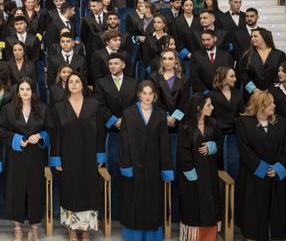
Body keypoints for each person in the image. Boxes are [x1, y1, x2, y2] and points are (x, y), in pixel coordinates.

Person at [49, 72, 106, 241]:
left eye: (77, 81)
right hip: (68, 155)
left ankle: (86, 229)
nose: (73, 84)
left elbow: (101, 132)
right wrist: (56, 157)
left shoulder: (94, 105)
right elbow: (56, 134)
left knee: (89, 190)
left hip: (89, 155)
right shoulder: (59, 107)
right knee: (70, 190)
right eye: (70, 82)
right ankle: (72, 229)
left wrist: (100, 156)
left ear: (83, 84)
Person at [118, 80, 174, 241]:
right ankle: (133, 235)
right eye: (144, 93)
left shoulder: (161, 114)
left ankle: (152, 236)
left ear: (155, 95)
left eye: (150, 93)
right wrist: (126, 164)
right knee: (133, 201)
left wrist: (166, 168)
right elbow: (123, 141)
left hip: (153, 166)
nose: (147, 96)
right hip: (133, 164)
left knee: (152, 201)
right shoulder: (128, 113)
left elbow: (164, 143)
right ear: (139, 95)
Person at [0, 78, 49, 240]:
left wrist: (40, 135)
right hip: (16, 156)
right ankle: (17, 227)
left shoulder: (43, 108)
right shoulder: (8, 109)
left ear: (33, 91)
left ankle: (34, 228)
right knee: (16, 189)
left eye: (28, 89)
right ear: (17, 91)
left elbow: (51, 129)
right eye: (22, 89)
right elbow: (0, 129)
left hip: (36, 157)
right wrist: (15, 139)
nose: (25, 92)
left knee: (36, 190)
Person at [236, 91, 286, 241]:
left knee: (278, 213)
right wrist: (263, 169)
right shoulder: (243, 122)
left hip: (276, 175)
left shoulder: (282, 122)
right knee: (254, 214)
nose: (274, 105)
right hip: (253, 174)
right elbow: (244, 150)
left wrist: (278, 168)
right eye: (270, 102)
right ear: (260, 104)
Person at [177, 93, 223, 241]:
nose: (212, 108)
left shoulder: (213, 124)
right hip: (192, 177)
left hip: (209, 174)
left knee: (211, 207)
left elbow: (220, 144)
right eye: (209, 105)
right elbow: (182, 152)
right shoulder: (185, 127)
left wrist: (212, 146)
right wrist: (191, 173)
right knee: (193, 209)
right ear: (199, 107)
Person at [237, 28, 286, 98]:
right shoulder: (246, 54)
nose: (252, 38)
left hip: (274, 94)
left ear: (264, 37)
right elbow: (243, 74)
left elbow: (282, 74)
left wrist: (271, 90)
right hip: (252, 95)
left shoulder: (280, 54)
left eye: (255, 36)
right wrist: (253, 89)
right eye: (252, 37)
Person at [209, 66, 244, 135]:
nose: (235, 79)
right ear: (223, 78)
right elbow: (210, 118)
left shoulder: (238, 93)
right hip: (218, 134)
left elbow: (242, 114)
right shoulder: (211, 96)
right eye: (232, 76)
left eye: (235, 76)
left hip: (236, 133)